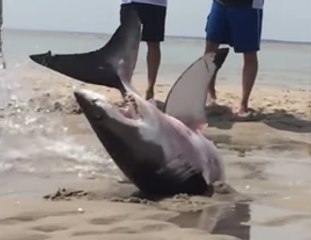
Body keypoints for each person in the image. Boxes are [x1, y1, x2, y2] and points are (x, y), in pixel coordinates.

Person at [205, 0, 264, 118]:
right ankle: (210, 96)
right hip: (220, 3)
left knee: (249, 52)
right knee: (211, 47)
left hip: (248, 6)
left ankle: (243, 103)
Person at [120, 0, 167, 100]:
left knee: (153, 43)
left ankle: (150, 89)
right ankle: (125, 87)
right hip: (130, 3)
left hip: (155, 3)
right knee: (129, 44)